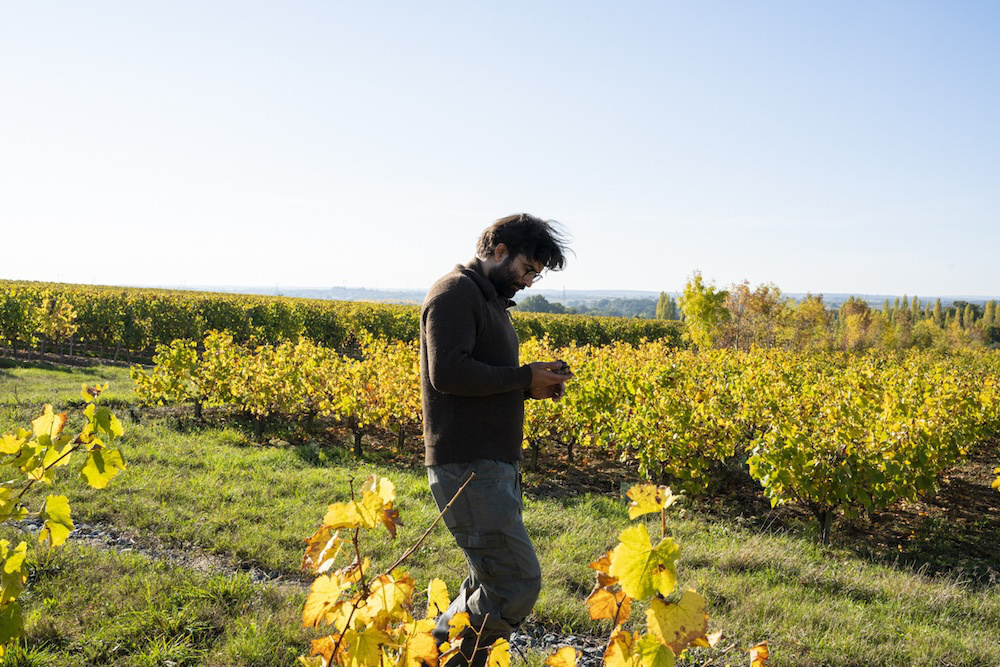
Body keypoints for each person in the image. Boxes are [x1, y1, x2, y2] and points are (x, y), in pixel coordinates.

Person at [420, 213, 572, 667]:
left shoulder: (485, 299)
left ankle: (432, 655)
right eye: (527, 269)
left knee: (486, 583)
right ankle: (440, 659)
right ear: (499, 250)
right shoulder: (453, 294)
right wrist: (523, 376)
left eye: (537, 274)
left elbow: (483, 376)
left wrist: (530, 383)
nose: (529, 281)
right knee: (515, 583)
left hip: (490, 464)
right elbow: (447, 373)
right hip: (468, 465)